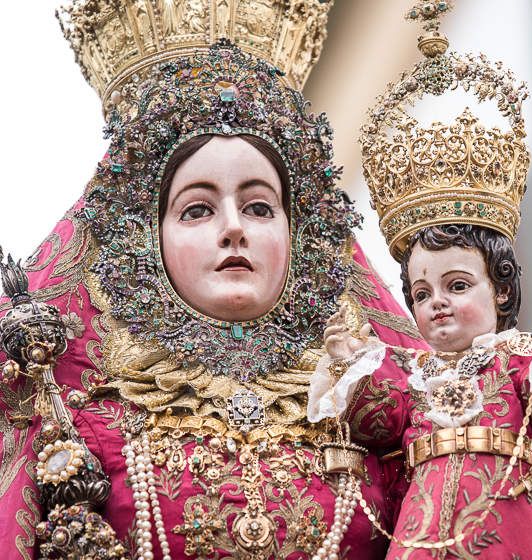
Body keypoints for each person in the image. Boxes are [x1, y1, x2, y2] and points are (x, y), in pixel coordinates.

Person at [0, 3, 427, 559]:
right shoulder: (70, 414)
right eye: (198, 210)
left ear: (300, 233)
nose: (232, 228)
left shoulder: (380, 408)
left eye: (258, 206)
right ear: (146, 238)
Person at [309, 224, 532, 559]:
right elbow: (378, 421)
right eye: (422, 294)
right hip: (423, 524)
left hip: (507, 516)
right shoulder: (411, 369)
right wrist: (346, 364)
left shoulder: (515, 356)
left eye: (457, 286)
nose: (437, 302)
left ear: (501, 291)